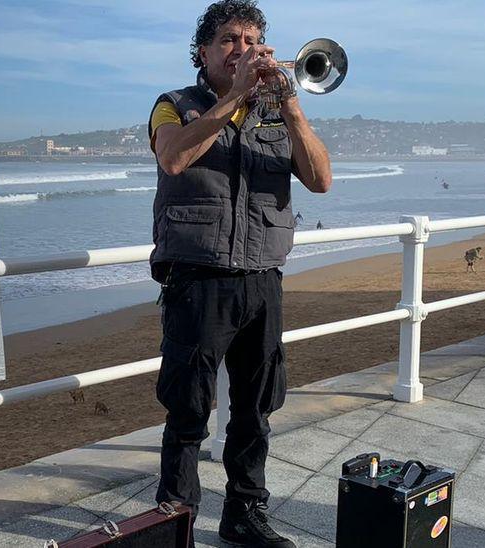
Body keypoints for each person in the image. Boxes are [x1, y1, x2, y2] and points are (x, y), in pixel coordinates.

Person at [147, 2, 332, 545]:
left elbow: (320, 179)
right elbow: (174, 159)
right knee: (187, 410)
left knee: (254, 411)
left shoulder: (278, 112)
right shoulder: (172, 105)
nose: (243, 48)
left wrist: (292, 106)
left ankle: (244, 514)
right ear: (203, 52)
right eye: (229, 39)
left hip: (262, 279)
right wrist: (233, 99)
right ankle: (174, 520)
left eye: (252, 38)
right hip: (198, 280)